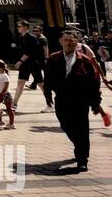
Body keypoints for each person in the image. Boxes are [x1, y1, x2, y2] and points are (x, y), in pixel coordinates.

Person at [43, 29, 102, 172]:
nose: (68, 43)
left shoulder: (85, 60)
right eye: (66, 40)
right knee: (65, 125)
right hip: (62, 98)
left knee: (82, 129)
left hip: (80, 100)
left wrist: (96, 102)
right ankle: (79, 146)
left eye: (71, 40)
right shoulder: (54, 58)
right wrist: (47, 94)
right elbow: (48, 78)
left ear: (77, 42)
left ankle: (82, 159)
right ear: (61, 42)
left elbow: (94, 82)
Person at [11, 20, 44, 110]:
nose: (18, 28)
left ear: (25, 27)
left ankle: (50, 104)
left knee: (41, 84)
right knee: (20, 83)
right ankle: (14, 104)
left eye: (19, 26)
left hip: (33, 64)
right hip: (25, 65)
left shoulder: (31, 37)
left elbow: (29, 52)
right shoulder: (21, 37)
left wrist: (20, 61)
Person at [0, 59, 15, 128]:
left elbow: (6, 85)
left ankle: (11, 124)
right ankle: (0, 121)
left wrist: (2, 93)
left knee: (9, 109)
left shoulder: (5, 76)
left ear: (0, 67)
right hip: (0, 94)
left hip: (6, 94)